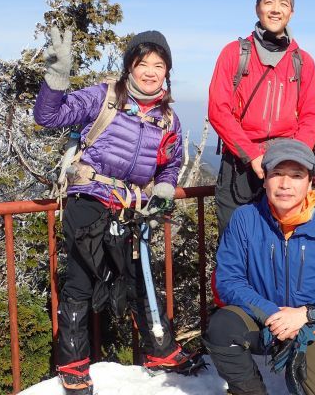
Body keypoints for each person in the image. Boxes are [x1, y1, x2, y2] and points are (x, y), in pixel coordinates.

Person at [34, 28, 199, 394]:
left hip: (130, 208)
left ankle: (160, 350)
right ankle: (73, 363)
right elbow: (48, 117)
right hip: (90, 198)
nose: (151, 72)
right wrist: (57, 78)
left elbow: (169, 163)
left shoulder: (167, 119)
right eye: (143, 63)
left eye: (159, 65)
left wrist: (165, 186)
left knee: (139, 277)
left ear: (167, 71)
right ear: (129, 66)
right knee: (81, 279)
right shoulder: (104, 97)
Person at [203, 139, 315, 395]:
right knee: (223, 326)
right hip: (261, 321)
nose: (285, 184)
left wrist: (306, 314)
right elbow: (228, 280)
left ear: (310, 182)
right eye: (277, 174)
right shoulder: (245, 219)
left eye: (296, 175)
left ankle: (302, 364)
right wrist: (272, 314)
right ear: (265, 180)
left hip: (312, 328)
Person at [208, 0, 315, 238]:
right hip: (239, 166)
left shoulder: (303, 61)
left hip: (284, 167)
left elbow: (311, 115)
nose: (276, 9)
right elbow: (218, 110)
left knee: (281, 244)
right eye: (269, 2)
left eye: (283, 3)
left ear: (291, 12)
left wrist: (293, 159)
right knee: (235, 244)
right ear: (257, 7)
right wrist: (252, 155)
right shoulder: (234, 53)